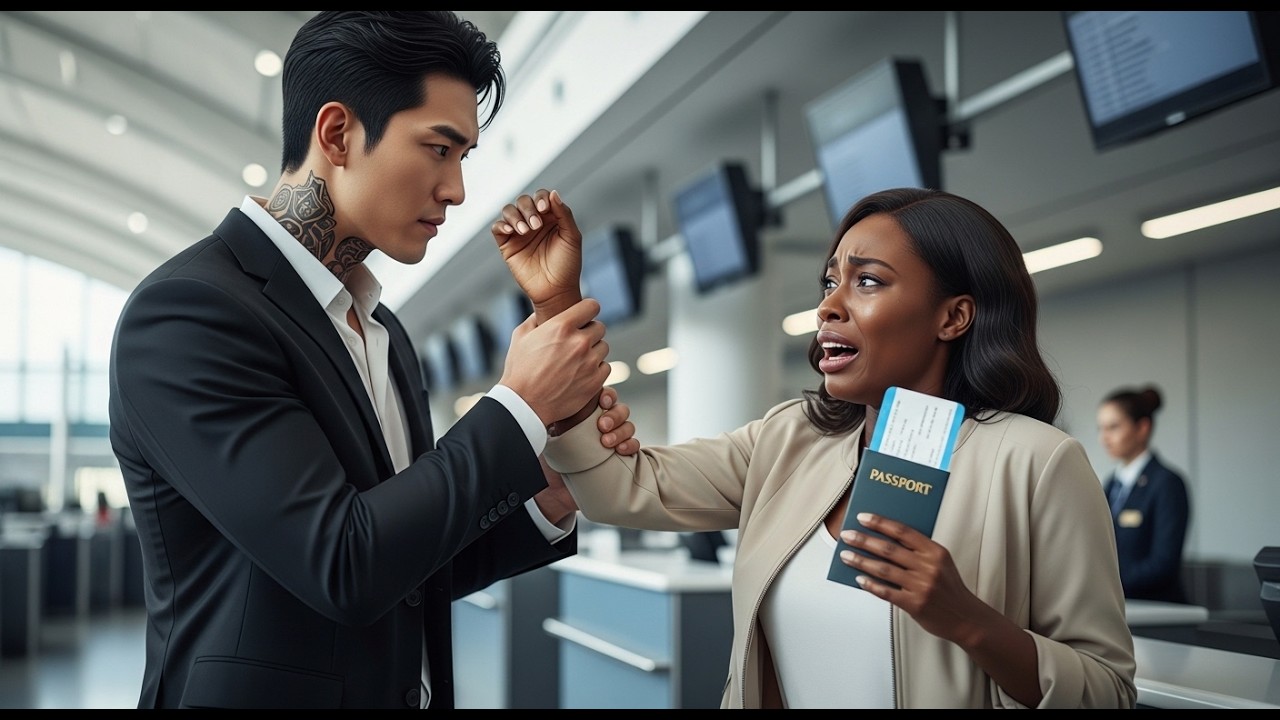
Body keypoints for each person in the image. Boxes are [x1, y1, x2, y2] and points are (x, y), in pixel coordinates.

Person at [108, 11, 637, 709]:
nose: (456, 189)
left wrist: (544, 496)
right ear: (337, 135)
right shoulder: (190, 314)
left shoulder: (382, 331)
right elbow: (342, 563)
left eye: (463, 158)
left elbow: (407, 570)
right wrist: (516, 408)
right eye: (439, 149)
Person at [537, 187, 1137, 708]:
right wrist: (556, 302)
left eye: (868, 281)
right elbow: (620, 489)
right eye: (830, 281)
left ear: (953, 317)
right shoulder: (789, 440)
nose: (828, 306)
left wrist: (968, 621)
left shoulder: (1037, 462)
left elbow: (1106, 690)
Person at [1097, 385, 1191, 604]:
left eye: (1113, 427)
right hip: (1119, 606)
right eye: (1100, 428)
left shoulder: (1166, 483)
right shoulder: (1112, 483)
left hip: (1157, 609)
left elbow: (1163, 564)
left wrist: (1104, 584)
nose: (1104, 438)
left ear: (1142, 428)